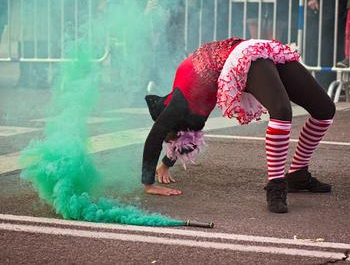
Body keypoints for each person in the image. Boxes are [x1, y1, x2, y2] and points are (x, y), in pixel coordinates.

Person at [141, 38, 336, 213]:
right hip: (245, 54)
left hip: (243, 54)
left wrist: (148, 184)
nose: (177, 142)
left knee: (324, 110)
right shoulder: (187, 114)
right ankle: (276, 185)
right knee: (282, 112)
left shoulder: (179, 104)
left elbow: (156, 136)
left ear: (174, 127)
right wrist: (166, 164)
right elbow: (183, 139)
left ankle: (297, 174)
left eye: (173, 139)